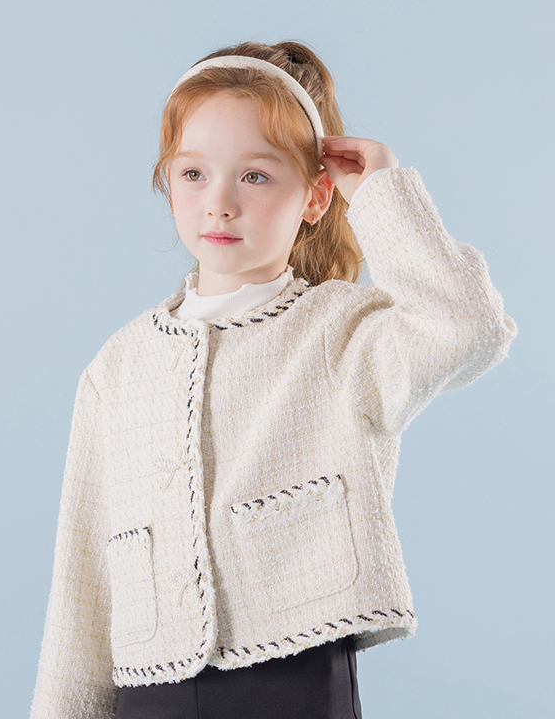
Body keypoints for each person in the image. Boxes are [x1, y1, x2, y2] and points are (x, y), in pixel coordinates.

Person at [29, 40, 517, 719]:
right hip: (147, 692)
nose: (219, 203)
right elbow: (80, 584)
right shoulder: (117, 367)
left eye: (255, 176)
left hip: (295, 681)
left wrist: (381, 194)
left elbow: (468, 326)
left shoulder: (343, 333)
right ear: (167, 181)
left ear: (315, 195)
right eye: (193, 173)